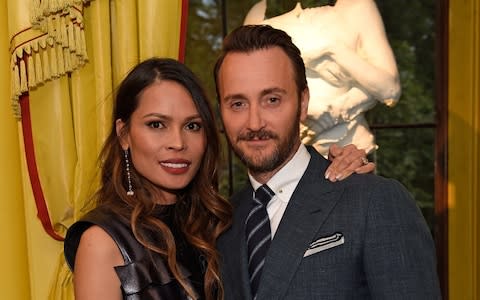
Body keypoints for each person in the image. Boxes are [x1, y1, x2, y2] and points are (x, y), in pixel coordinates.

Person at [63, 57, 372, 299]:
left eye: (192, 126)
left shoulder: (221, 222)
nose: (178, 143)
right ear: (124, 134)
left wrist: (330, 173)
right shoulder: (101, 243)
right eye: (157, 125)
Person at [214, 25, 441, 299]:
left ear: (303, 102)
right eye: (237, 104)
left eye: (272, 99)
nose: (254, 122)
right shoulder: (221, 223)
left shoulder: (373, 201)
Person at [244, 0, 401, 156]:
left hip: (348, 154)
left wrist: (333, 51)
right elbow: (245, 83)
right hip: (282, 158)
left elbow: (390, 88)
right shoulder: (261, 12)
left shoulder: (356, 7)